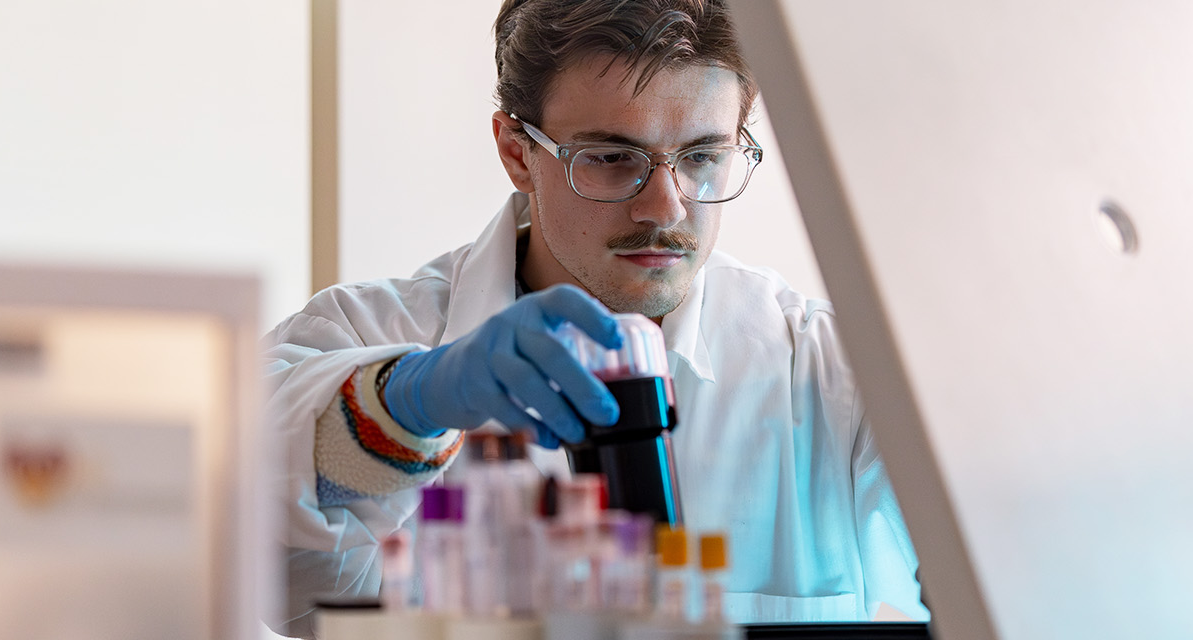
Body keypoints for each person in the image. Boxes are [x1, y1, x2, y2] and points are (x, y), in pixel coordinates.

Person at [263, 0, 926, 635]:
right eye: (611, 158)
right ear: (518, 153)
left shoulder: (833, 376)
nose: (665, 208)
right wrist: (404, 405)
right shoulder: (366, 333)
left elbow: (978, 562)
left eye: (701, 157)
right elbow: (255, 539)